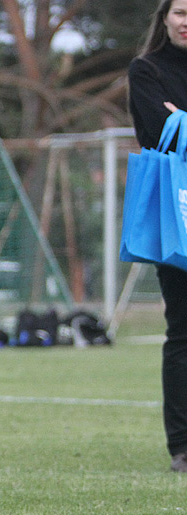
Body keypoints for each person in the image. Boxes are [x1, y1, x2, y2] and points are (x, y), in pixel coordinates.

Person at [128, 0, 187, 472]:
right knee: (184, 330)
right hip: (177, 213)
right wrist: (174, 126)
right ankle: (182, 447)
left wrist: (182, 119)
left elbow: (176, 127)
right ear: (165, 17)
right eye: (182, 11)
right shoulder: (146, 70)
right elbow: (156, 133)